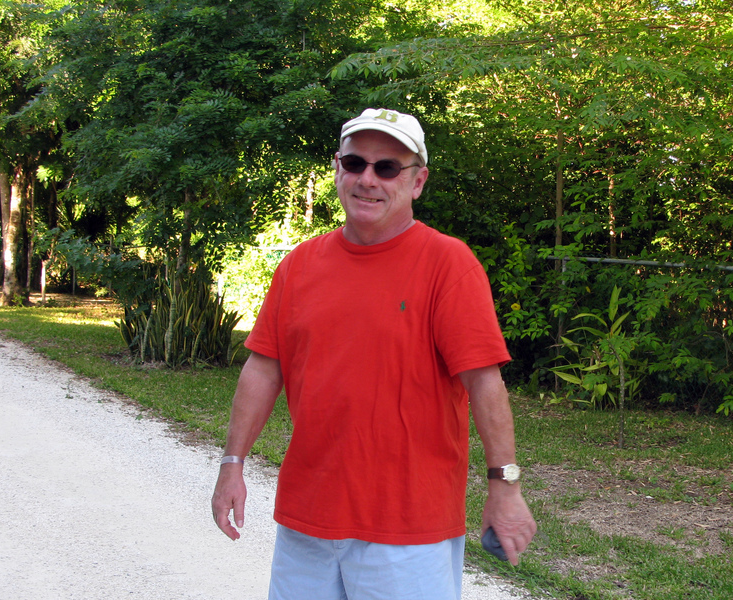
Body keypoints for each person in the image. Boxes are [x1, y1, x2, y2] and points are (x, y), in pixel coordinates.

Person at [212, 108, 536, 600]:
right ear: (338, 168)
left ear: (417, 182)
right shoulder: (299, 265)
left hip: (409, 530)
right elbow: (263, 369)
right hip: (307, 521)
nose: (368, 179)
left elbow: (484, 382)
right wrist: (232, 464)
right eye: (355, 163)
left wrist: (505, 487)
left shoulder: (448, 264)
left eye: (387, 167)